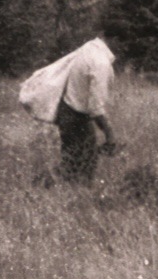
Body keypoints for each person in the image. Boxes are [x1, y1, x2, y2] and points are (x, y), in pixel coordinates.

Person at [19, 37, 118, 183]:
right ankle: (44, 185)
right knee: (84, 167)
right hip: (77, 116)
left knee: (72, 160)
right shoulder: (101, 63)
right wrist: (110, 134)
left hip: (67, 111)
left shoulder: (87, 49)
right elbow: (96, 107)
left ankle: (45, 186)